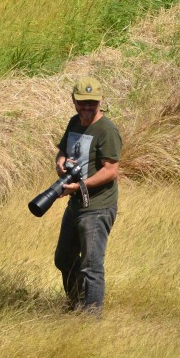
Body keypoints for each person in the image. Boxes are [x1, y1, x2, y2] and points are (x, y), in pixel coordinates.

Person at [53, 77, 122, 312]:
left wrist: (80, 186)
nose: (87, 107)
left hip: (97, 206)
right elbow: (62, 150)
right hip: (76, 204)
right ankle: (76, 304)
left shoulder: (107, 130)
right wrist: (61, 163)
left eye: (92, 103)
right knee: (63, 258)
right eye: (82, 102)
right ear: (73, 101)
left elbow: (111, 171)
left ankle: (91, 318)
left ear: (101, 100)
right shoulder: (74, 122)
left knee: (91, 266)